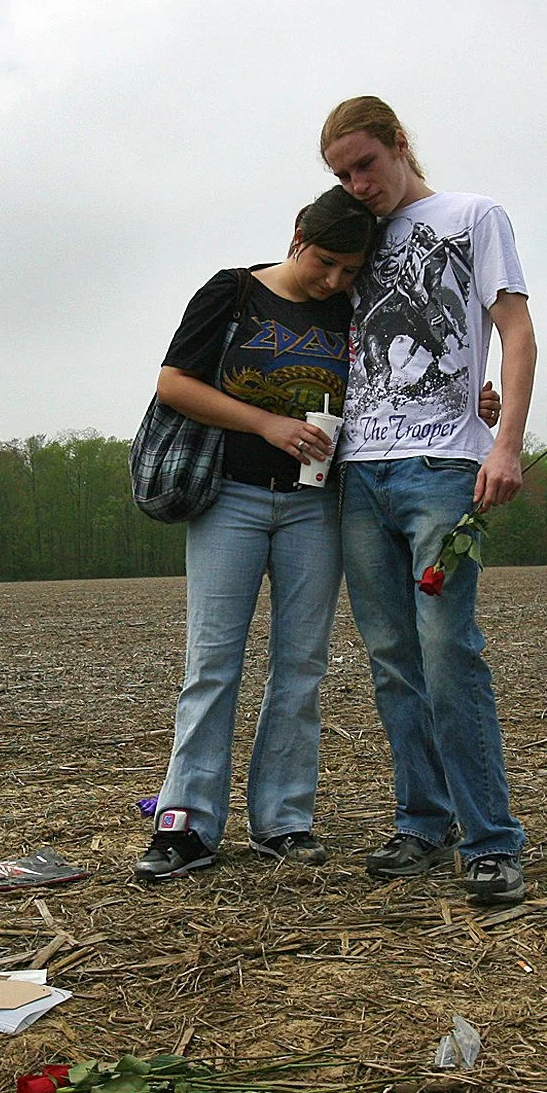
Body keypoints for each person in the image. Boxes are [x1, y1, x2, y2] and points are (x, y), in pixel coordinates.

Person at [320, 97, 538, 907]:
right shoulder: (354, 237)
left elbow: (516, 332)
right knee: (391, 662)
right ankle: (423, 821)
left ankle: (491, 841)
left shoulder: (472, 216)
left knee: (449, 652)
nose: (357, 183)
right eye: (342, 174)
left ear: (400, 145)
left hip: (442, 471)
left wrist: (507, 441)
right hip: (357, 477)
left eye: (365, 164)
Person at [135, 188, 377, 881]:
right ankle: (186, 826)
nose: (335, 280)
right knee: (212, 664)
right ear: (299, 234)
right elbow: (175, 384)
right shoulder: (232, 292)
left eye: (350, 270)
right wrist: (266, 424)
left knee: (301, 666)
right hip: (230, 500)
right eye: (327, 262)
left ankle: (284, 820)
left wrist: (473, 399)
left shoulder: (355, 313)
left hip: (315, 508)